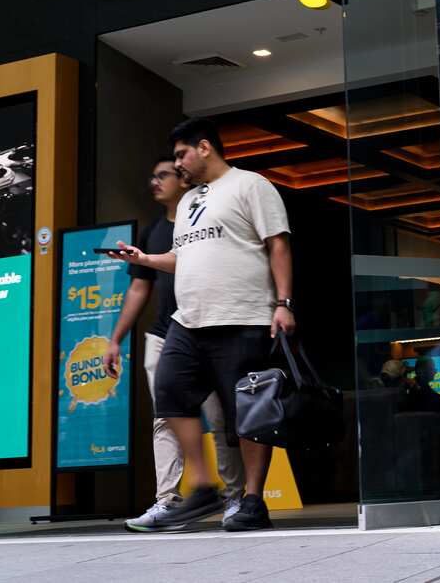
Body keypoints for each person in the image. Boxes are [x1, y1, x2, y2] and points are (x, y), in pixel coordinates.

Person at [108, 117, 295, 532]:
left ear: (205, 147)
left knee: (246, 414)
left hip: (241, 315)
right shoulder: (190, 201)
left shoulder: (251, 185)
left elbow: (277, 243)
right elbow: (184, 256)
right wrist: (144, 260)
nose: (178, 165)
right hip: (188, 320)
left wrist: (284, 303)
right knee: (170, 392)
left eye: (181, 155)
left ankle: (251, 500)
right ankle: (205, 486)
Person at [102, 157, 243, 532]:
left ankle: (234, 498)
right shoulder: (152, 231)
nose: (154, 181)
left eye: (163, 174)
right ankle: (168, 501)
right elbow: (139, 287)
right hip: (164, 335)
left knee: (219, 417)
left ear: (184, 181)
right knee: (165, 418)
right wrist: (115, 340)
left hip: (208, 330)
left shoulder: (206, 221)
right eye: (153, 174)